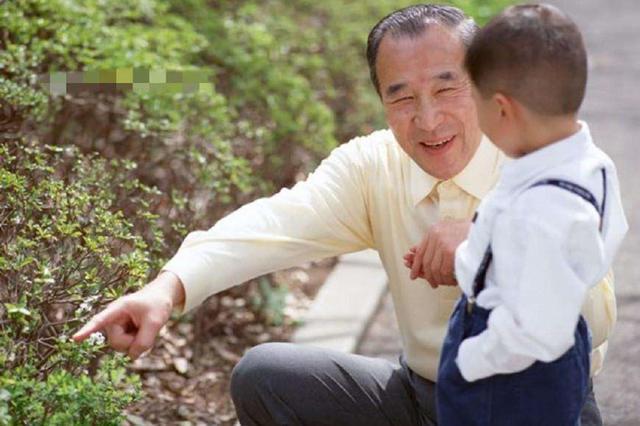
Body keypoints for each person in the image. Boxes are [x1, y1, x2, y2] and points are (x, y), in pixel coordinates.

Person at [73, 4, 617, 425]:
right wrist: (166, 289)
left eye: (446, 87)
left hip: (536, 405)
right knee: (266, 376)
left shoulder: (546, 161)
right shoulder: (373, 165)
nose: (428, 120)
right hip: (422, 396)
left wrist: (488, 248)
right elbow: (272, 224)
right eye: (402, 97)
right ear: (382, 101)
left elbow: (590, 317)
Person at [405, 4, 628, 425]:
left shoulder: (540, 210)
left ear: (503, 110)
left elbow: (539, 332)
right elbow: (606, 236)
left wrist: (472, 359)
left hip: (507, 365)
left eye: (476, 101)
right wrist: (474, 257)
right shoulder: (591, 163)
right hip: (550, 346)